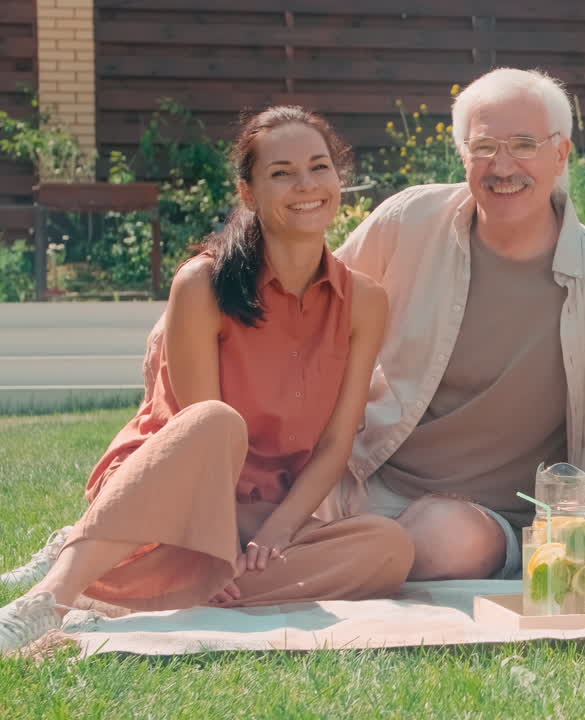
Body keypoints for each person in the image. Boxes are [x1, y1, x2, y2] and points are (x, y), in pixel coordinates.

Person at [0, 106, 413, 654]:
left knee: (388, 548)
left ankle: (134, 572)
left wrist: (273, 535)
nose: (307, 185)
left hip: (262, 513)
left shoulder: (365, 300)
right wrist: (223, 539)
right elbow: (199, 434)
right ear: (248, 192)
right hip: (173, 488)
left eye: (319, 167)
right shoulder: (202, 284)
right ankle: (49, 600)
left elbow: (336, 444)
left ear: (339, 179)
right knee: (217, 421)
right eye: (282, 172)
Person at [322, 67, 585, 579]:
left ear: (561, 154)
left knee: (448, 538)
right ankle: (330, 546)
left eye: (523, 144)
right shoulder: (408, 221)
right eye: (484, 148)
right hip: (370, 484)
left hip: (495, 521)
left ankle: (317, 557)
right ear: (463, 155)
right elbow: (316, 309)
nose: (503, 166)